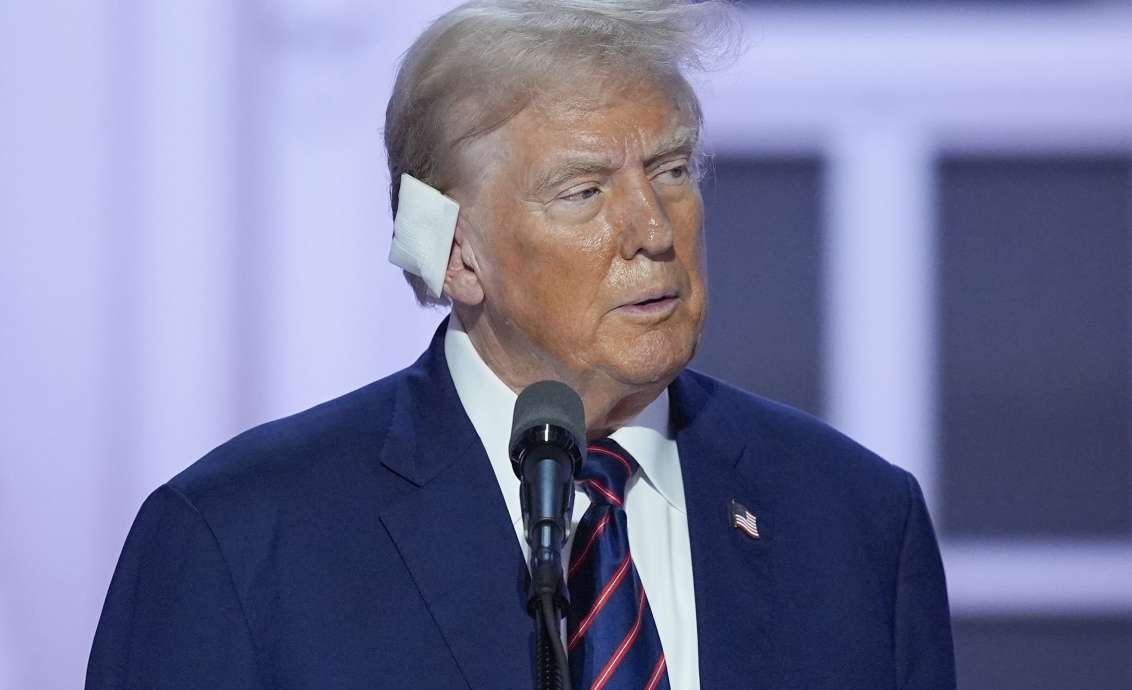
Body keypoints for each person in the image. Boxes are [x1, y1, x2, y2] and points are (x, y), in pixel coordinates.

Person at [87, 1, 956, 688]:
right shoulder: (241, 539)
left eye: (672, 171)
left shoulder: (854, 522)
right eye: (583, 191)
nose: (652, 229)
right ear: (458, 253)